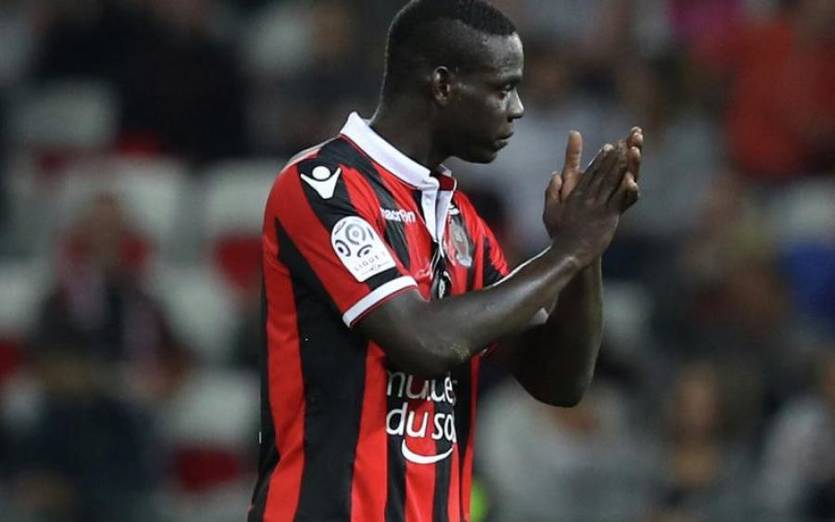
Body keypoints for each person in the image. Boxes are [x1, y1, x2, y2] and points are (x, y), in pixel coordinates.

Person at [248, 1, 643, 521]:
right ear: (442, 85)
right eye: (503, 88)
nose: (518, 108)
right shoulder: (323, 186)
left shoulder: (462, 222)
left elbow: (560, 383)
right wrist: (568, 252)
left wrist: (585, 252)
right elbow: (425, 342)